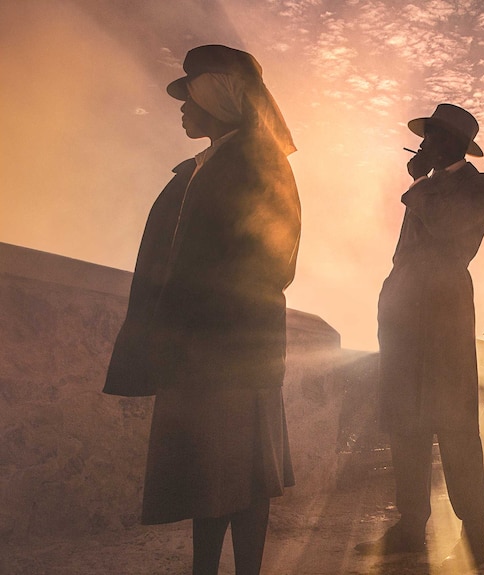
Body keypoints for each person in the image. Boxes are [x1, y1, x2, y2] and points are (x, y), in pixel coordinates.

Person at [103, 44, 301, 575]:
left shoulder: (259, 163)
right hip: (202, 351)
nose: (183, 107)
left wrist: (201, 323)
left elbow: (275, 260)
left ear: (218, 94)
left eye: (190, 94)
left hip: (232, 352)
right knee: (211, 479)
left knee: (243, 477)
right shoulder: (202, 167)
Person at [359, 104, 484, 572]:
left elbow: (447, 229)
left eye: (431, 138)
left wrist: (420, 183)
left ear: (455, 144)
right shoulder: (428, 187)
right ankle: (410, 526)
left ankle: (474, 534)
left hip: (445, 320)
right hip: (403, 318)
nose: (422, 146)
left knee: (456, 427)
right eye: (422, 139)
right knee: (406, 423)